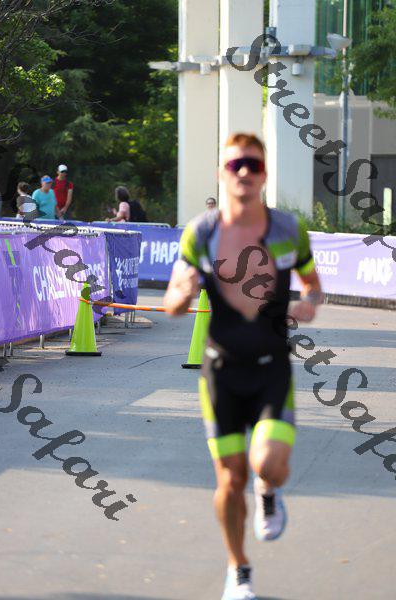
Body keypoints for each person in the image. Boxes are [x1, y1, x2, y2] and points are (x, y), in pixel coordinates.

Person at [163, 133, 322, 600]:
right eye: (236, 165)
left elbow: (313, 284)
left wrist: (310, 303)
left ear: (265, 173)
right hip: (221, 373)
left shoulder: (288, 229)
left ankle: (269, 491)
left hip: (272, 368)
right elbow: (172, 302)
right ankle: (238, 569)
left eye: (254, 164)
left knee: (267, 464)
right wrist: (183, 293)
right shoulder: (202, 233)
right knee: (230, 480)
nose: (245, 172)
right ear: (222, 173)